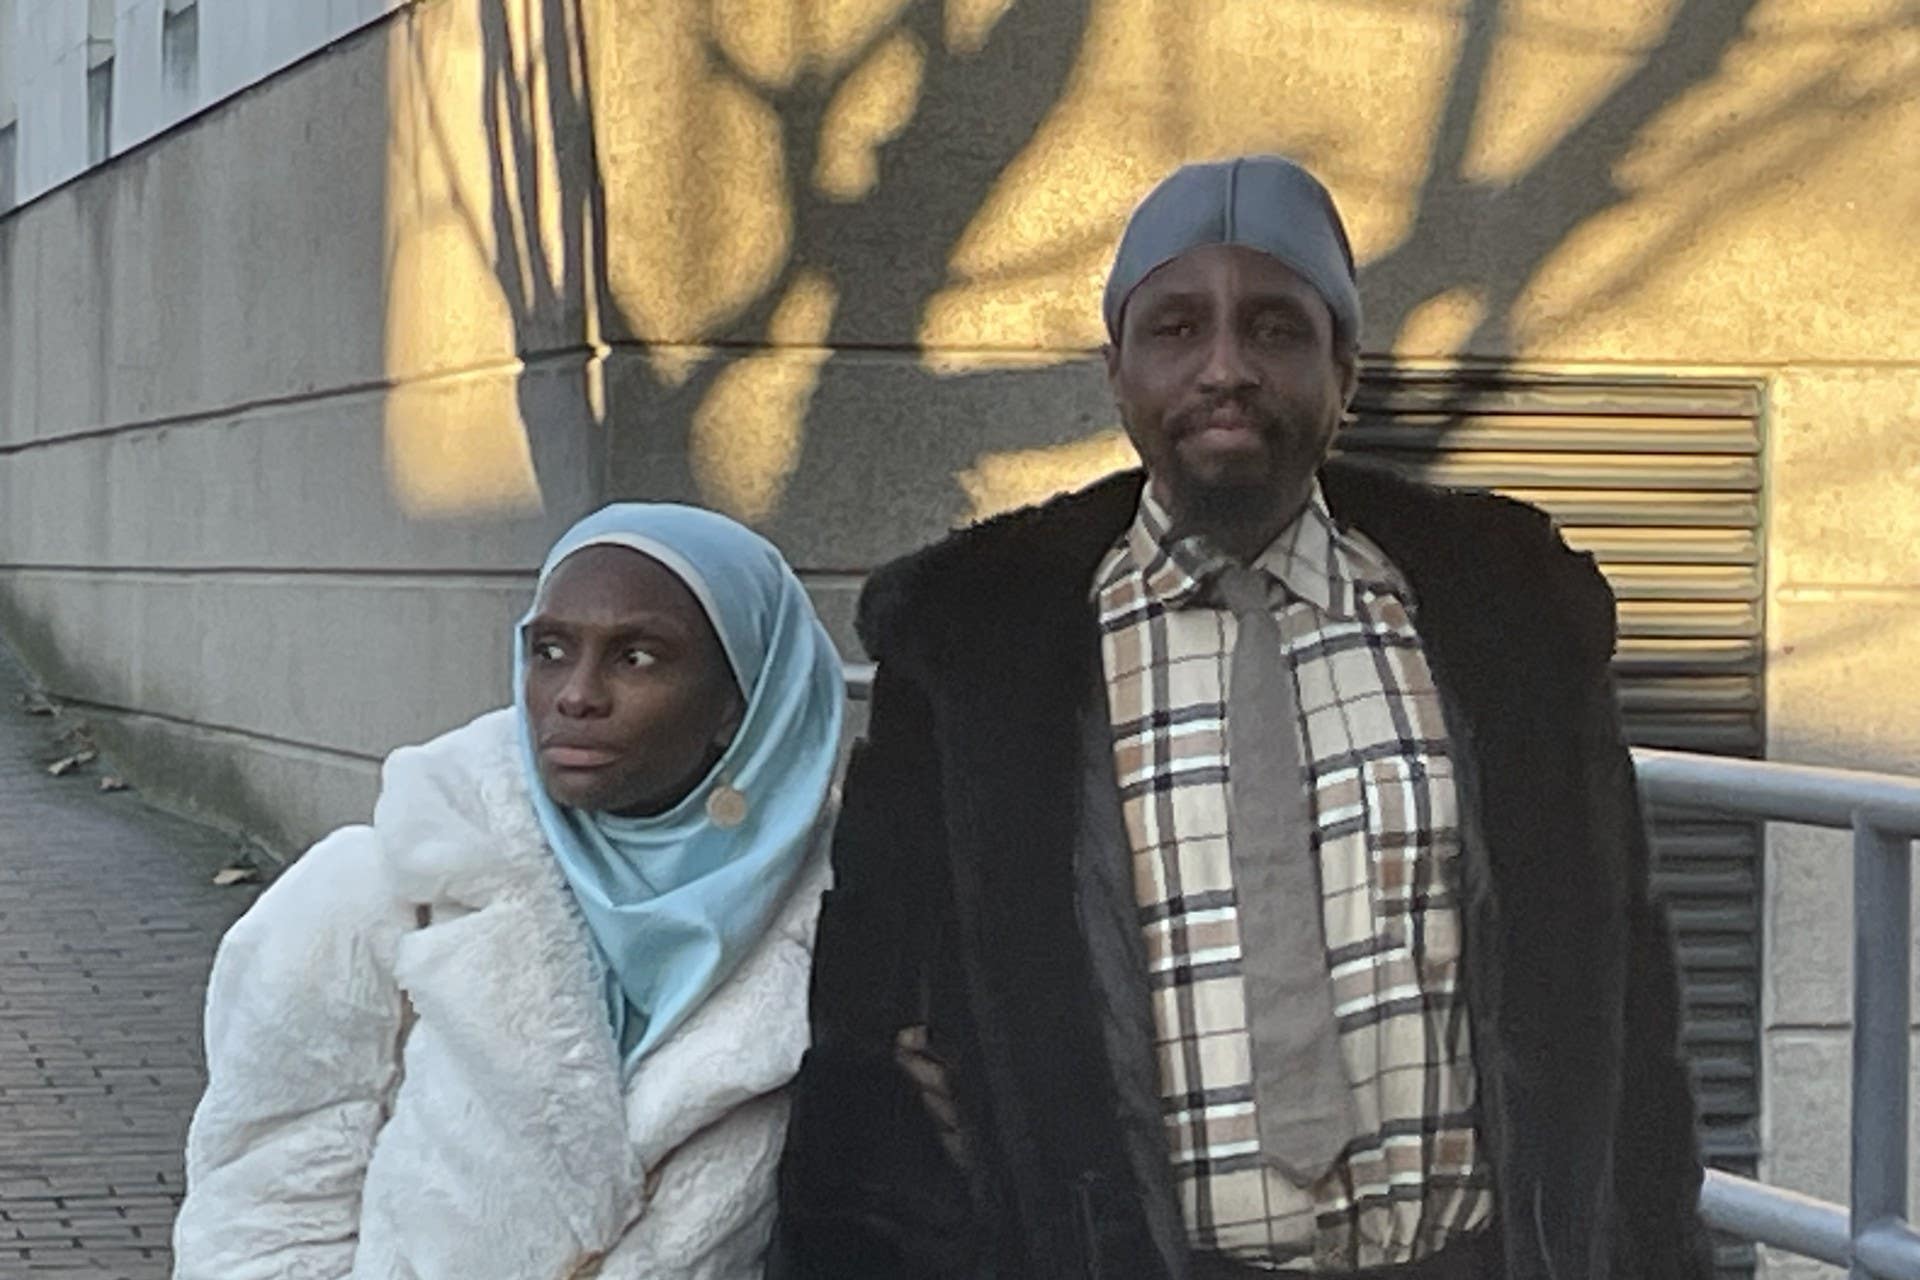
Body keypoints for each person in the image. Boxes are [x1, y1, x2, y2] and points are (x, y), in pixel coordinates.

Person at [775, 156, 1713, 1280]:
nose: (1225, 367)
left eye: (1274, 328)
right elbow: (874, 1049)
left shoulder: (1506, 625)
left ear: (1345, 367)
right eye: (1176, 328)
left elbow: (1626, 1003)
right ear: (1116, 369)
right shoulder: (978, 655)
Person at [174, 504, 845, 1279]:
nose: (576, 695)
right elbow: (262, 1198)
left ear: (742, 699)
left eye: (638, 657)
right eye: (550, 651)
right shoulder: (383, 885)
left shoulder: (840, 920)